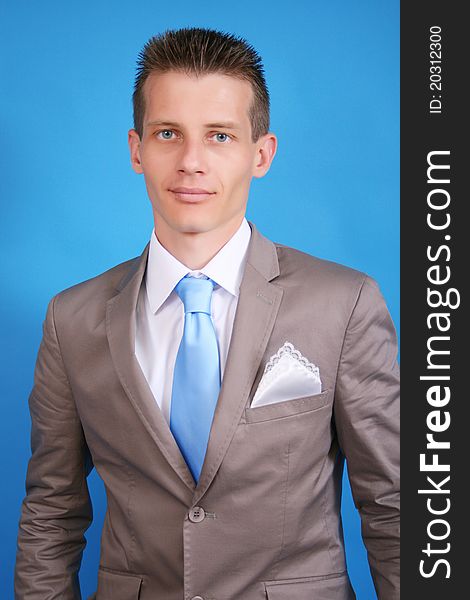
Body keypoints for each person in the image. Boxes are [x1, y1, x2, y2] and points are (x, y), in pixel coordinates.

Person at [14, 27, 399, 600]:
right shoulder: (71, 319)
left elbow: (396, 507)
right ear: (136, 149)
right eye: (168, 133)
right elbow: (52, 512)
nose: (191, 161)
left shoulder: (343, 303)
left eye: (219, 135)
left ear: (260, 154)